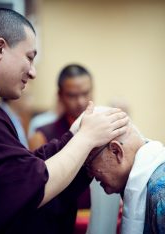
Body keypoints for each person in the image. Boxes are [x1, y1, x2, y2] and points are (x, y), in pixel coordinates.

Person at [0, 8, 129, 234]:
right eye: (29, 58)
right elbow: (27, 185)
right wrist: (86, 138)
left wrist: (72, 137)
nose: (33, 73)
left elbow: (19, 167)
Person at [29, 64, 120, 234]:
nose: (80, 101)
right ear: (60, 95)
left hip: (99, 219)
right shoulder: (41, 135)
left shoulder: (105, 132)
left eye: (85, 93)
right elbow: (37, 191)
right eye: (72, 95)